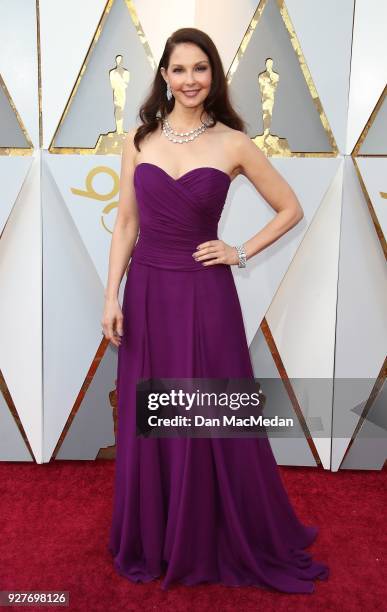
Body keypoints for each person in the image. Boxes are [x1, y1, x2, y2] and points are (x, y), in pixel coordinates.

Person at [103, 27, 329, 593]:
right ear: (163, 76)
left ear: (214, 76)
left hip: (206, 296)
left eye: (201, 69)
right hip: (149, 292)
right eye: (179, 70)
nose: (190, 80)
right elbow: (127, 222)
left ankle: (208, 530)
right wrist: (111, 295)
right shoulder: (139, 140)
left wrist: (240, 250)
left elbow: (290, 207)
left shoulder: (233, 142)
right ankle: (156, 532)